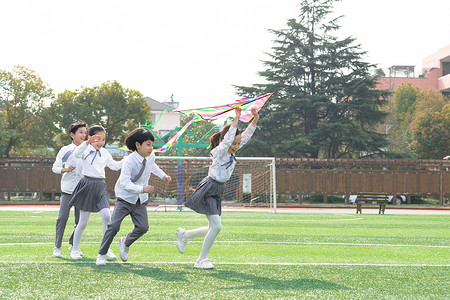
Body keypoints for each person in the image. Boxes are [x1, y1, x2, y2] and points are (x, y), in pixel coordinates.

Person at [176, 106, 259, 269]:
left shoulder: (231, 152)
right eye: (234, 143)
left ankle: (185, 235)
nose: (236, 146)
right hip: (210, 187)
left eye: (238, 143)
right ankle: (201, 260)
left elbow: (246, 136)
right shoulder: (220, 150)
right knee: (217, 226)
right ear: (225, 140)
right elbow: (229, 139)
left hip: (218, 189)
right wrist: (236, 118)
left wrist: (255, 120)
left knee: (212, 227)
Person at [96, 128, 171, 265]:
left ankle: (126, 241)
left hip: (140, 201)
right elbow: (124, 183)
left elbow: (152, 166)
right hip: (125, 198)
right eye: (148, 144)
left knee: (143, 227)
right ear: (138, 145)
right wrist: (142, 189)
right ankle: (101, 254)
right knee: (113, 226)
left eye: (152, 145)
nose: (151, 148)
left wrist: (163, 176)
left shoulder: (151, 156)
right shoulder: (129, 161)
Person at [68, 125, 123, 260]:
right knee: (83, 222)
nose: (101, 142)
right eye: (98, 139)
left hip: (100, 186)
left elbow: (115, 166)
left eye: (103, 140)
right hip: (87, 184)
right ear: (90, 138)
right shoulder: (85, 149)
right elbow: (76, 154)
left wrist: (130, 158)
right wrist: (87, 143)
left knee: (107, 217)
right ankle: (74, 249)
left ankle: (106, 248)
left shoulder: (104, 152)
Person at [51, 121, 87, 258]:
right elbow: (55, 167)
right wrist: (65, 169)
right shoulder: (66, 150)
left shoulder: (88, 150)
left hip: (82, 190)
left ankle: (74, 245)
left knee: (80, 221)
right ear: (72, 135)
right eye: (80, 132)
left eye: (85, 132)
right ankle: (57, 246)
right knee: (62, 217)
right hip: (68, 189)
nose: (83, 135)